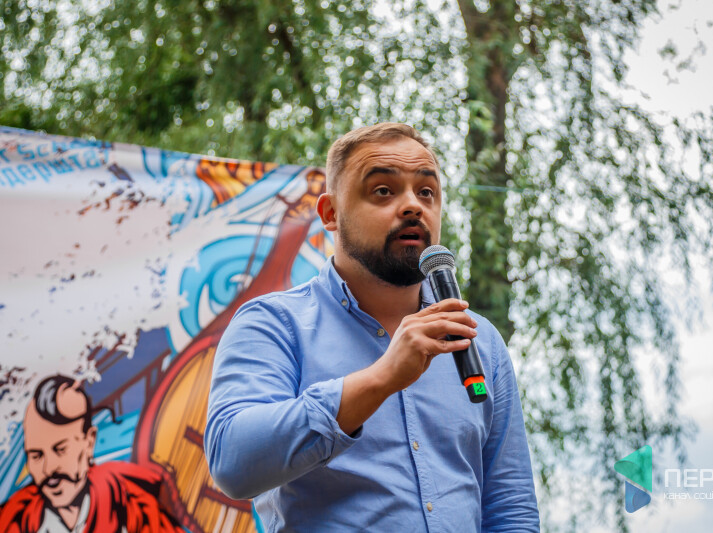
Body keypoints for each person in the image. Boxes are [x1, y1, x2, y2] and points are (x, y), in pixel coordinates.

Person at [204, 123, 540, 531]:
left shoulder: (479, 339)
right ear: (331, 214)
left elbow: (510, 507)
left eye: (427, 192)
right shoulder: (273, 325)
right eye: (383, 190)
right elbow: (232, 464)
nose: (413, 205)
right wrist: (381, 378)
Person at [0, 375, 183, 533]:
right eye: (36, 456)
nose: (48, 469)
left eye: (60, 450)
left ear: (89, 441)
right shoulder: (13, 520)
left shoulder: (135, 510)